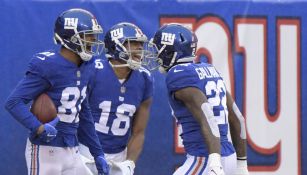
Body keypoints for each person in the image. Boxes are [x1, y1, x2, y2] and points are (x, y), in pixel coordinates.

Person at [5, 8, 109, 175]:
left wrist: (98, 152)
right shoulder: (47, 64)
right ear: (70, 38)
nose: (93, 40)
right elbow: (13, 102)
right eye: (88, 35)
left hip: (73, 150)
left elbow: (83, 111)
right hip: (46, 150)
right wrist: (38, 127)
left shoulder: (88, 65)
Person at [150, 23, 249, 175]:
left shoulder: (178, 73)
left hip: (204, 159)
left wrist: (214, 161)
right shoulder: (209, 69)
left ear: (170, 51)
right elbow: (238, 118)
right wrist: (241, 166)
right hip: (230, 158)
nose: (156, 55)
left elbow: (207, 116)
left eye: (159, 49)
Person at [78, 22, 153, 175]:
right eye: (134, 43)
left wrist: (129, 163)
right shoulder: (93, 70)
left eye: (140, 44)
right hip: (85, 152)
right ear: (116, 46)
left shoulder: (145, 78)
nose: (140, 48)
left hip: (119, 156)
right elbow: (72, 116)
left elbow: (139, 131)